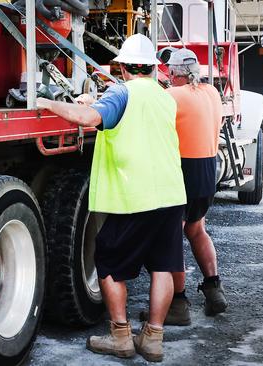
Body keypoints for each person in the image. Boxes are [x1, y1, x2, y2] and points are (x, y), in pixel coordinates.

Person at [36, 33, 186, 362]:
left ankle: (120, 336)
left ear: (122, 67)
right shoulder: (165, 97)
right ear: (151, 68)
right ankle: (153, 339)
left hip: (136, 195)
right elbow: (129, 115)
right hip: (172, 194)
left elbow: (92, 119)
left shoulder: (122, 91)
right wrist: (98, 102)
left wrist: (47, 103)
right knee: (163, 266)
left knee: (107, 262)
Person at [141, 48, 228, 326]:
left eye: (168, 71)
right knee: (197, 228)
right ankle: (214, 290)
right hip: (207, 170)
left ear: (173, 73)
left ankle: (178, 304)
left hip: (183, 171)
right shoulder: (213, 93)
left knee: (171, 237)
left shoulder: (171, 96)